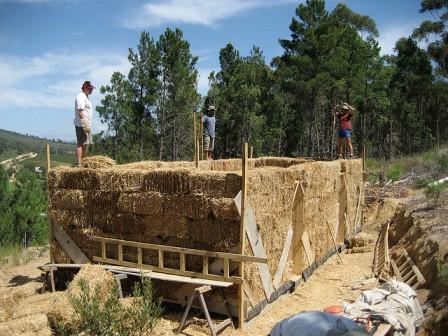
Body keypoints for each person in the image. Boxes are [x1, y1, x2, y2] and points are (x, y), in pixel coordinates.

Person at [74, 81, 95, 166]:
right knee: (81, 143)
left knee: (85, 143)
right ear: (85, 87)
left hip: (86, 124)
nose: (91, 90)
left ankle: (82, 162)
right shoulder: (81, 96)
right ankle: (79, 163)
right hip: (81, 124)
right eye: (90, 88)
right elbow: (80, 111)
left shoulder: (86, 97)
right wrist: (85, 124)